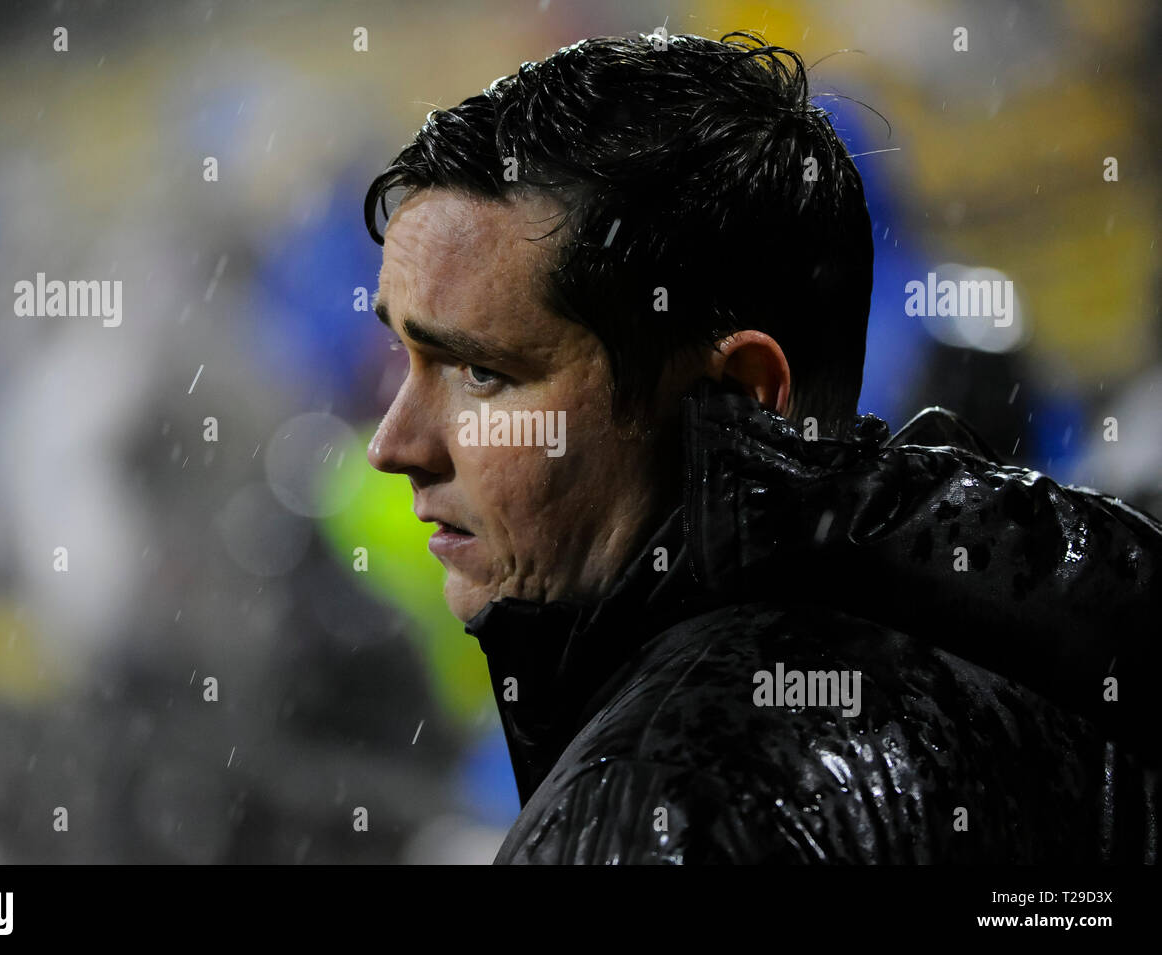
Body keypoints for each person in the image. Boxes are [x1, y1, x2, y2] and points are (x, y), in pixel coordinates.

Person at [361, 32, 1161, 863]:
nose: (394, 446)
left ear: (741, 396)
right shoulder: (1048, 680)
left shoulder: (655, 803)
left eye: (481, 372)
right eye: (405, 358)